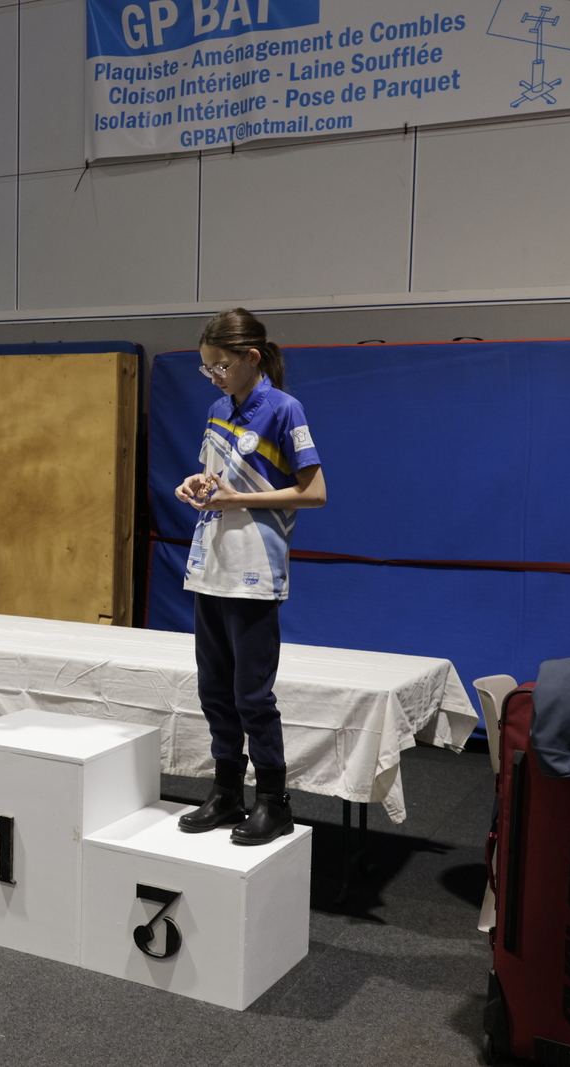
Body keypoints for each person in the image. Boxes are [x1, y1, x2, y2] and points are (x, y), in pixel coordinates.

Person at [173, 309, 327, 846]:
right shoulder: (218, 409)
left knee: (251, 695)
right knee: (214, 689)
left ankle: (273, 801)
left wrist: (240, 499)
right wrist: (196, 485)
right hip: (210, 564)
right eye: (207, 368)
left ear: (251, 358)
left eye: (220, 366)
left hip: (255, 569)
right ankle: (227, 791)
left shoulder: (284, 408)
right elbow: (216, 480)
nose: (214, 377)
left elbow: (314, 492)